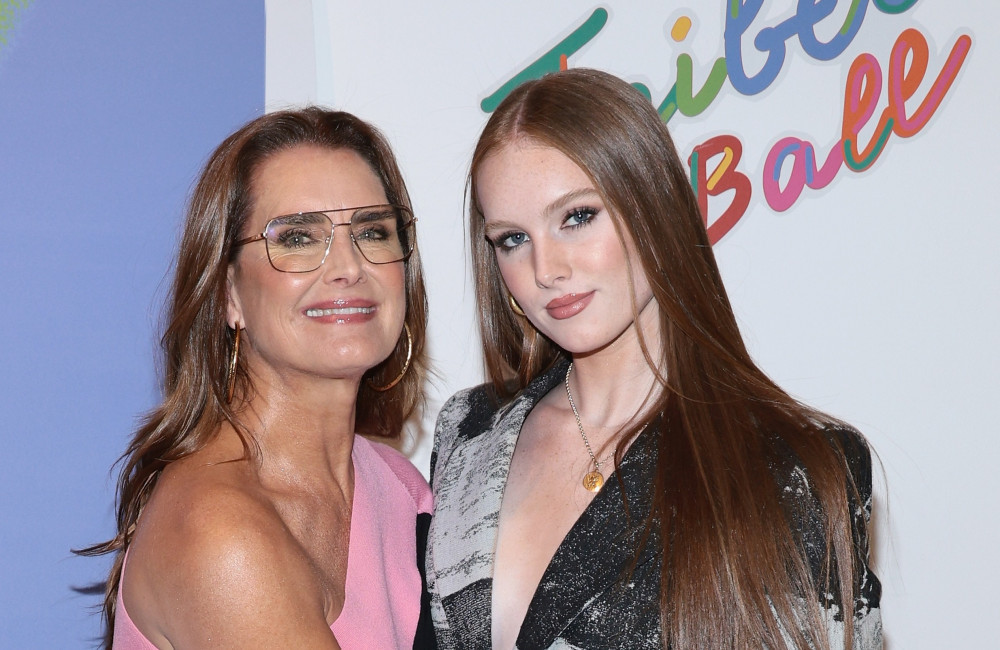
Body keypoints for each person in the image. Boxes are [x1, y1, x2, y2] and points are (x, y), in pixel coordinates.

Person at [426, 69, 881, 649]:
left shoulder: (796, 464)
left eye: (577, 216)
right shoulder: (469, 435)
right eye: (513, 239)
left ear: (654, 206)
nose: (546, 269)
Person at [79, 108, 435, 649]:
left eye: (372, 231)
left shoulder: (398, 483)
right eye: (296, 237)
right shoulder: (217, 533)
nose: (348, 266)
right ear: (228, 294)